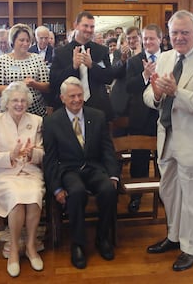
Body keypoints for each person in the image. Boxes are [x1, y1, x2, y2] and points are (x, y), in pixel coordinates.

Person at [143, 10, 193, 271]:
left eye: (185, 32)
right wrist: (157, 94)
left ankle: (192, 248)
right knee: (170, 194)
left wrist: (176, 92)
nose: (179, 37)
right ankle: (174, 237)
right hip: (167, 139)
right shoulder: (165, 58)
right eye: (174, 33)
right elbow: (150, 96)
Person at [43, 77, 119, 269]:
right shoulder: (52, 122)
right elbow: (50, 159)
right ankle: (78, 244)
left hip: (94, 167)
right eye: (72, 96)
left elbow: (107, 149)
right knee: (75, 192)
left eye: (79, 95)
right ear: (62, 98)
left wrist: (113, 175)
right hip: (68, 169)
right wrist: (56, 187)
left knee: (108, 190)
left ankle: (102, 239)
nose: (76, 100)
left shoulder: (98, 116)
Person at [0, 82, 45, 277]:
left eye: (22, 100)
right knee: (17, 199)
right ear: (6, 103)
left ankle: (30, 247)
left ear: (28, 102)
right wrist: (12, 154)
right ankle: (13, 253)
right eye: (15, 101)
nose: (19, 104)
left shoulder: (36, 120)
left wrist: (30, 154)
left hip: (29, 171)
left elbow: (43, 154)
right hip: (5, 174)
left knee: (35, 195)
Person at [49, 11, 119, 120]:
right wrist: (73, 67)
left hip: (97, 107)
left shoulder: (101, 50)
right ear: (76, 25)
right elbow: (54, 81)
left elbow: (109, 78)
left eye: (92, 27)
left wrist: (92, 65)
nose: (89, 30)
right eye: (85, 26)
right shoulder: (60, 52)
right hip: (68, 108)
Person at [125, 24, 163, 213]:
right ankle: (136, 196)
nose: (148, 42)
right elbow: (129, 87)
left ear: (160, 40)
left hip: (163, 117)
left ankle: (164, 193)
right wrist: (144, 75)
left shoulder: (169, 58)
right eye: (145, 38)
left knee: (163, 158)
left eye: (151, 38)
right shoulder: (134, 61)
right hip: (140, 118)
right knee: (138, 160)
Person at [0, 23, 50, 117]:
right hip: (10, 114)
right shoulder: (2, 60)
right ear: (13, 41)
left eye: (28, 40)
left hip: (36, 113)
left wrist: (34, 84)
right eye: (22, 40)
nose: (26, 43)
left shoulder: (37, 59)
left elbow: (47, 87)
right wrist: (19, 85)